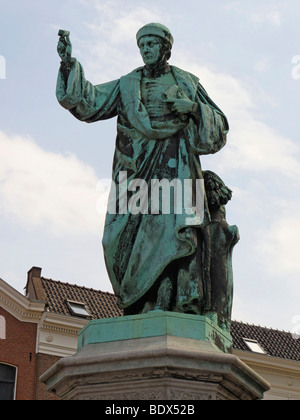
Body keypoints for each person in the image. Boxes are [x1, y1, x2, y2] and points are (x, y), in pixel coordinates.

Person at [56, 23, 229, 316]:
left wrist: (192, 109)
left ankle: (167, 302)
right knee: (117, 240)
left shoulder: (187, 83)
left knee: (173, 232)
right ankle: (140, 303)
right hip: (135, 170)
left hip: (177, 167)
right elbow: (91, 102)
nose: (147, 50)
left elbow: (219, 125)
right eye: (143, 45)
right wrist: (68, 65)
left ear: (165, 49)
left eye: (152, 44)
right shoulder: (127, 85)